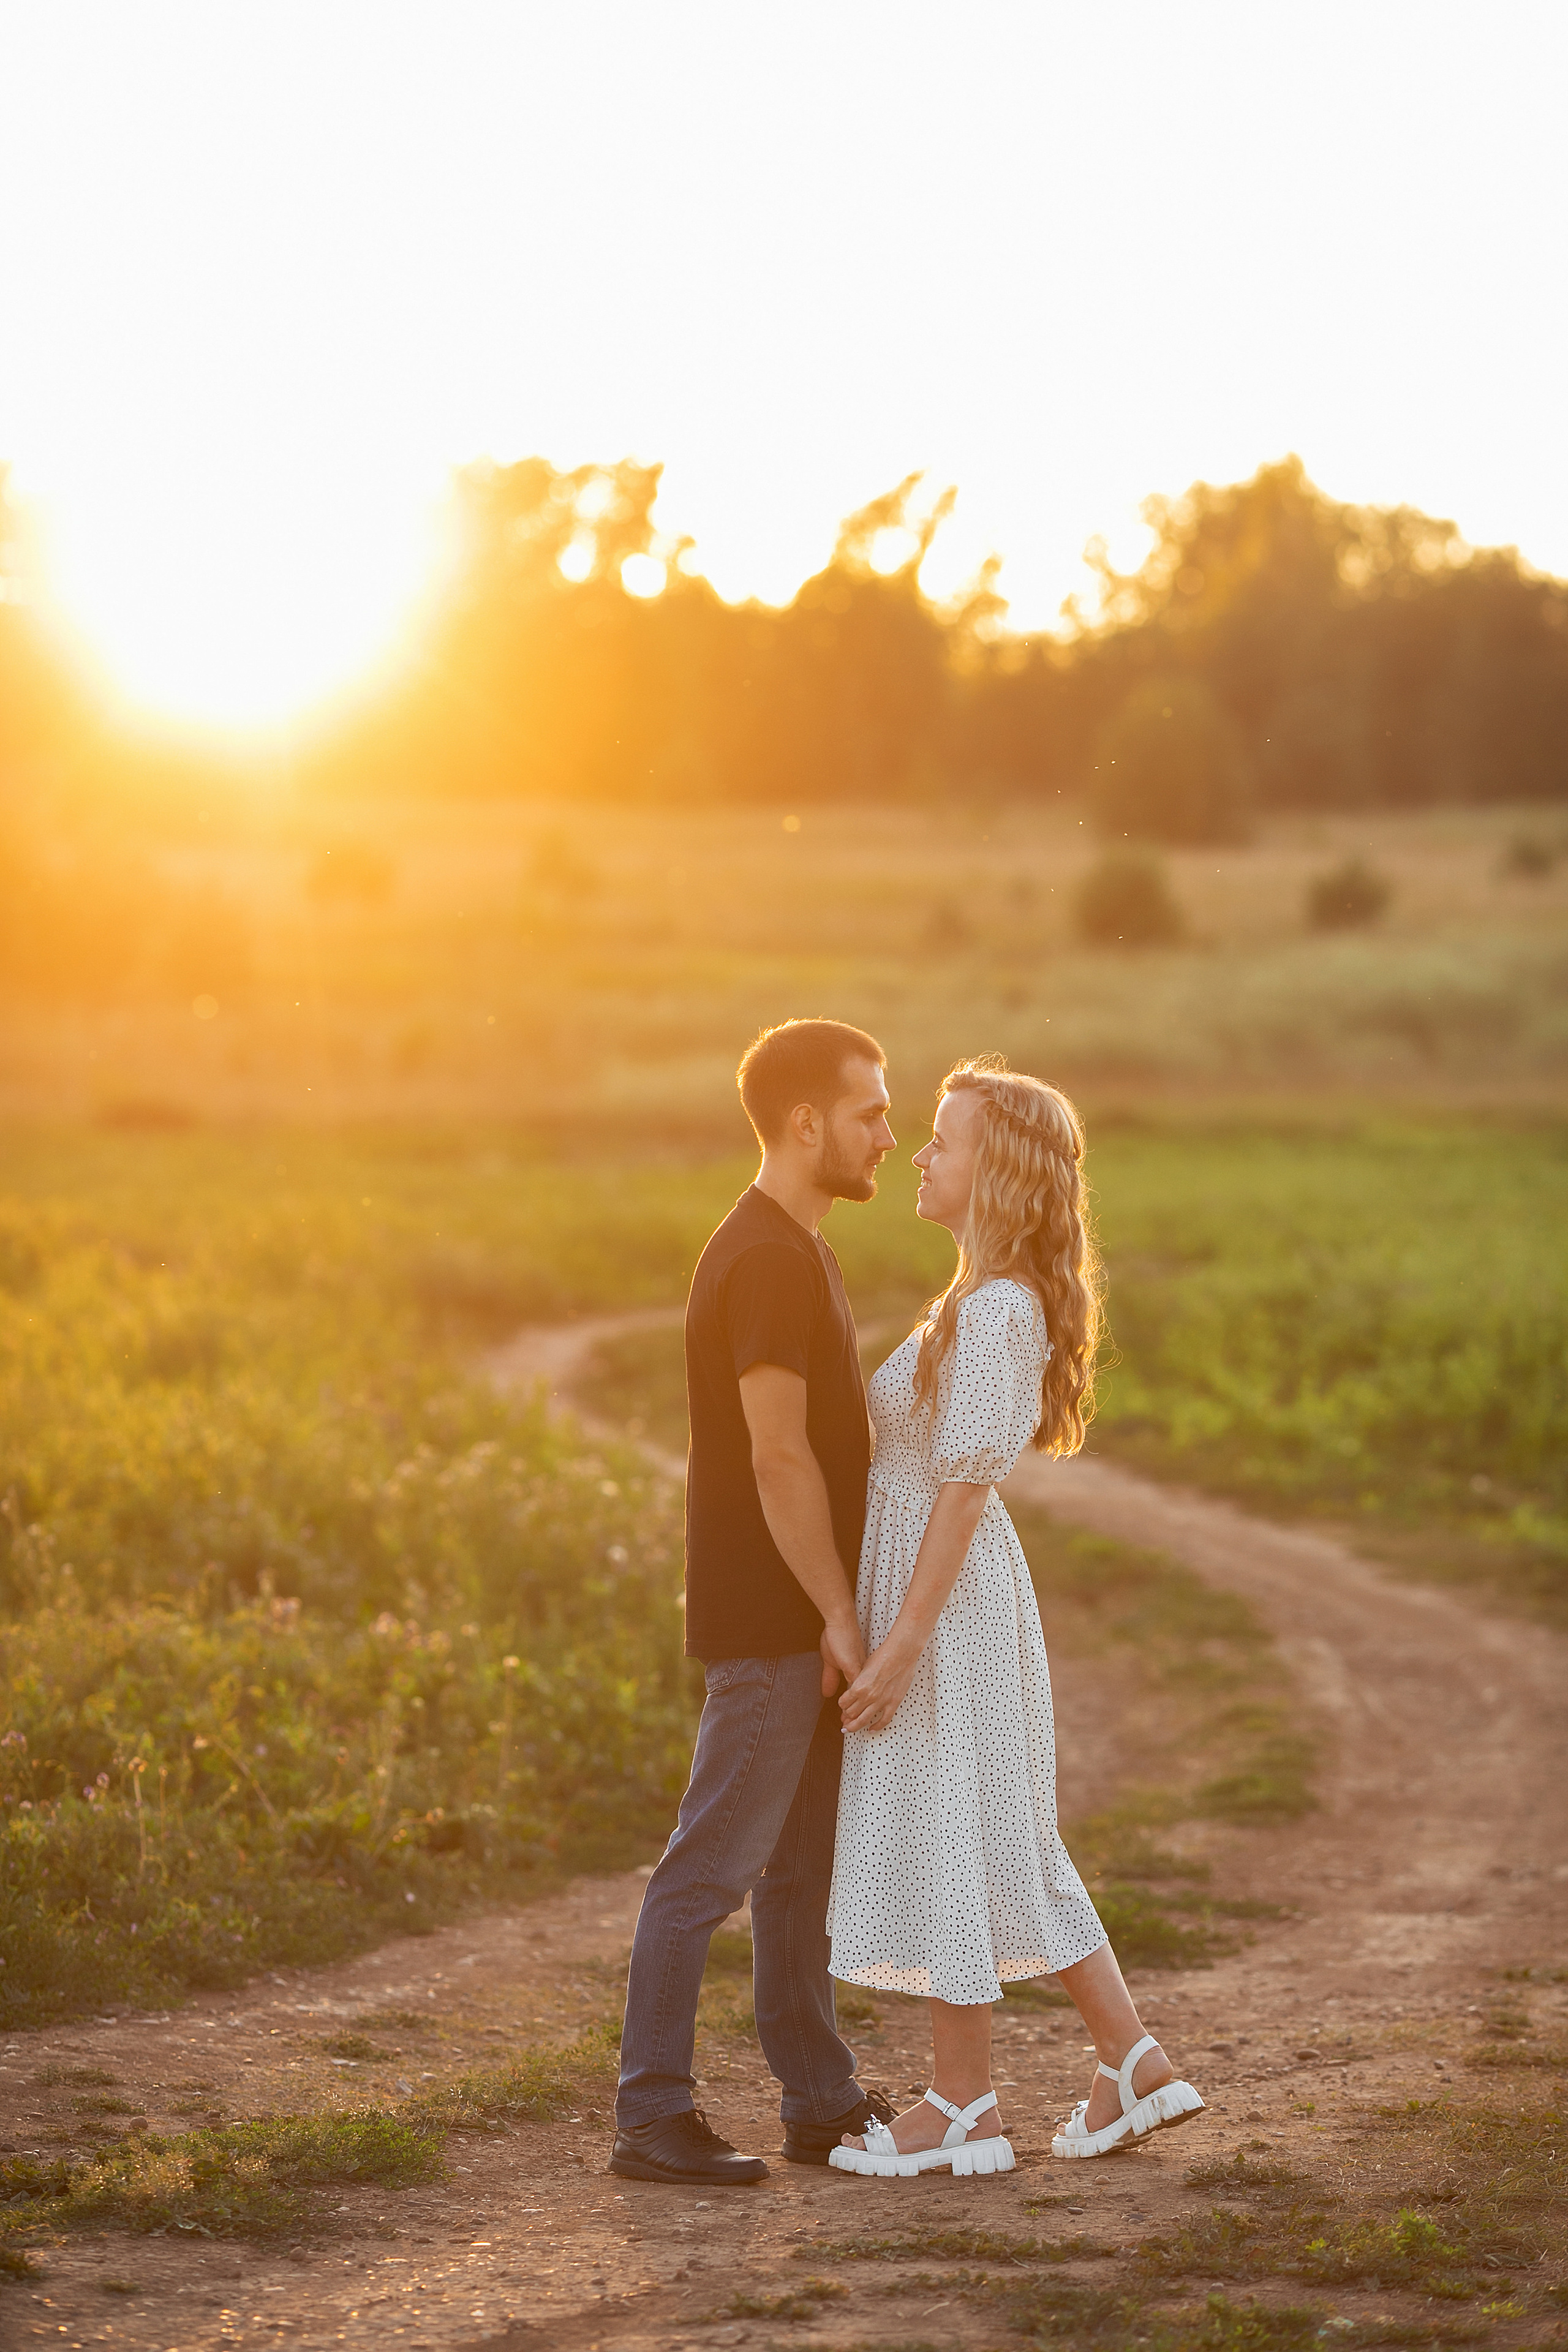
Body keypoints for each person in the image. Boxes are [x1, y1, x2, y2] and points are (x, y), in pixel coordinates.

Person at [827, 1058, 1205, 2177]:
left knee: (961, 1828)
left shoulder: (996, 1312)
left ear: (994, 1174)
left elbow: (962, 1490)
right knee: (997, 1835)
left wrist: (900, 1645)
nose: (919, 1155)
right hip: (944, 1598)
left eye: (942, 1141)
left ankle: (963, 2104)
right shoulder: (977, 1300)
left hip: (945, 1609)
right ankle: (1132, 2061)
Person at [610, 1018, 899, 2185]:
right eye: (872, 1113)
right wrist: (837, 1613)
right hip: (777, 1620)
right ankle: (651, 2115)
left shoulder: (795, 1246)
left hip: (799, 1618)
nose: (888, 1135)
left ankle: (820, 2102)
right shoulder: (769, 1259)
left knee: (798, 1876)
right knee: (711, 1870)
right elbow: (779, 1456)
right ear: (806, 1121)